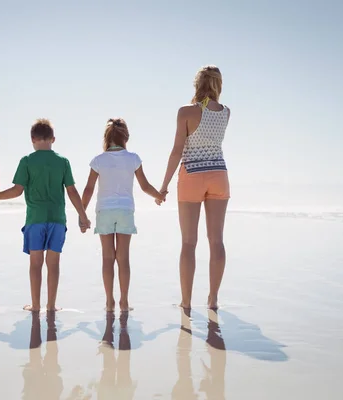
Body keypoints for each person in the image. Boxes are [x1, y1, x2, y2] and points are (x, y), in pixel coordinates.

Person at [0, 119, 91, 312]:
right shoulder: (62, 161)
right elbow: (72, 192)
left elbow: (16, 190)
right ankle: (51, 306)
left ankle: (36, 305)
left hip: (35, 220)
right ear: (53, 139)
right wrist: (83, 216)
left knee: (35, 264)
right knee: (53, 264)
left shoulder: (27, 161)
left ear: (32, 139)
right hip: (57, 220)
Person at [158, 65, 231, 310]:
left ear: (197, 84)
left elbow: (177, 150)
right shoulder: (226, 112)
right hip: (219, 175)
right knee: (216, 240)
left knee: (189, 243)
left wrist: (164, 185)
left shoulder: (186, 112)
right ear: (218, 84)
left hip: (192, 176)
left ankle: (186, 301)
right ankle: (213, 299)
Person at [81, 118, 165, 312]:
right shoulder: (133, 158)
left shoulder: (98, 160)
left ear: (107, 138)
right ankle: (124, 301)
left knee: (107, 258)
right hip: (125, 210)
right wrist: (158, 196)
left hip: (104, 210)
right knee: (123, 258)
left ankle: (109, 301)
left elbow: (88, 189)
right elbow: (145, 186)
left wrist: (82, 212)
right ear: (125, 137)